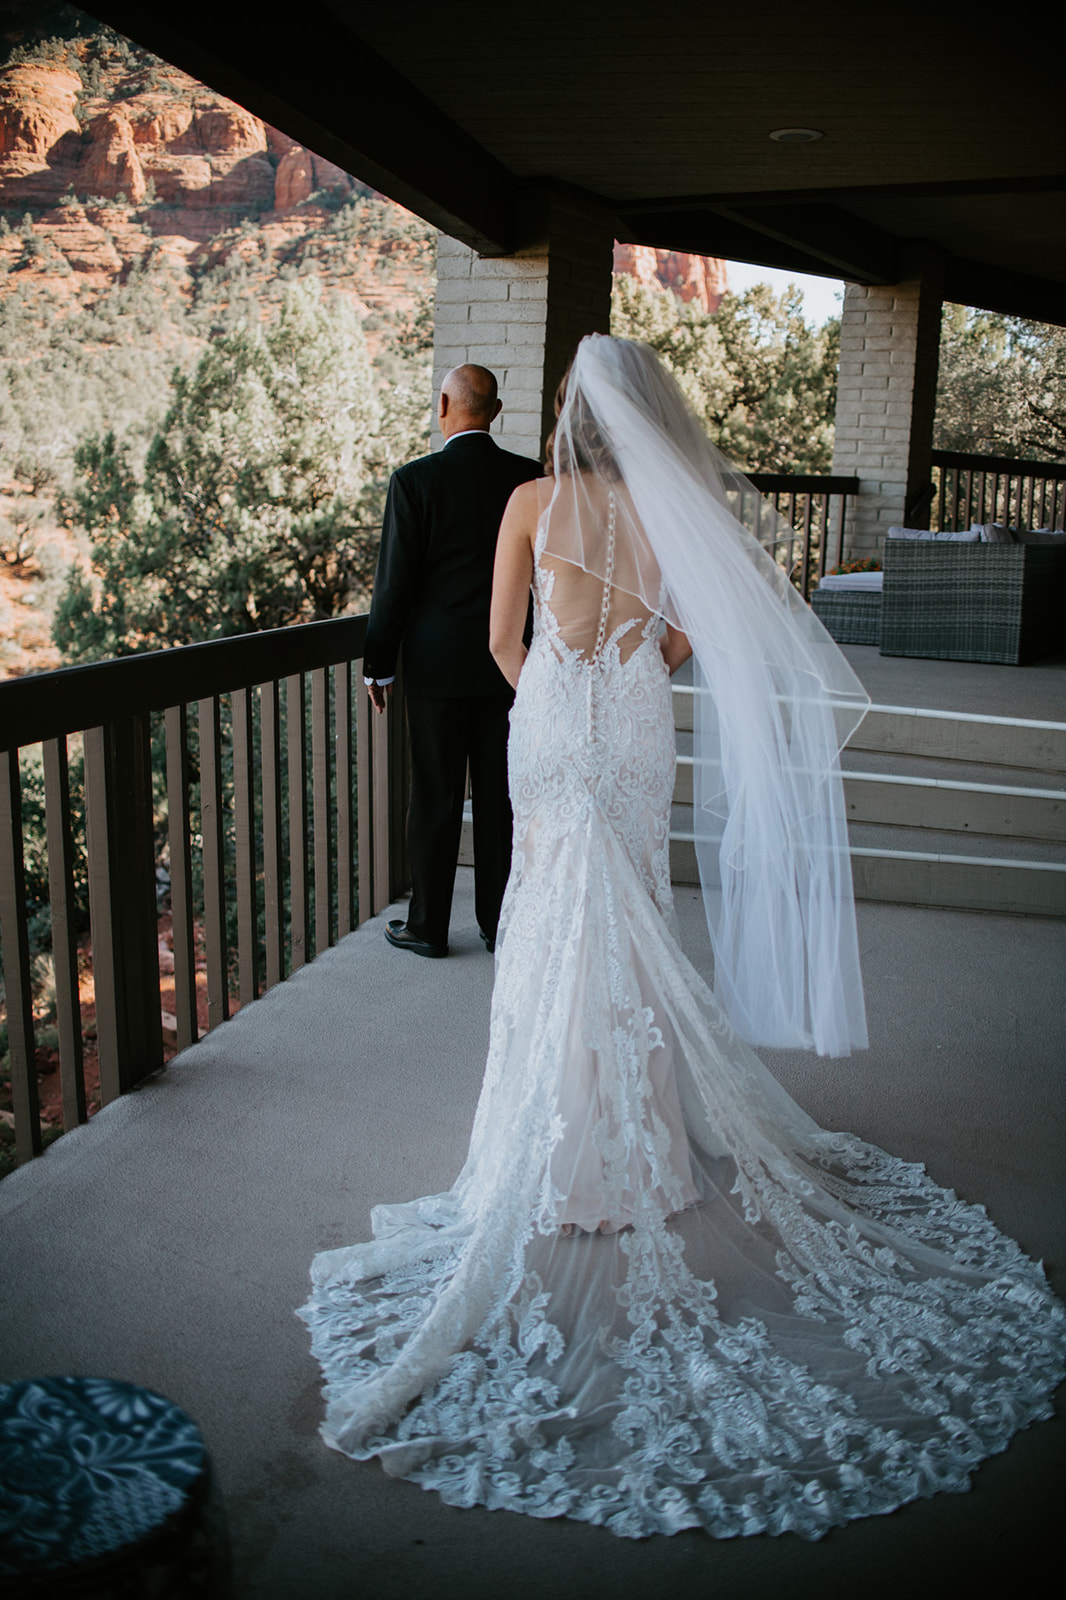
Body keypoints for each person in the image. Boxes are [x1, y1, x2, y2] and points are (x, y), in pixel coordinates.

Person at [301, 337, 1064, 1539]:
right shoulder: (671, 507)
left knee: (553, 918)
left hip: (553, 721)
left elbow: (503, 642)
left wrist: (560, 684)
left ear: (565, 418)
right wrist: (633, 667)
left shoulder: (527, 500)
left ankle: (549, 1155)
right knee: (635, 912)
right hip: (634, 722)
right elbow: (697, 629)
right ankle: (644, 1144)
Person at [363, 364, 541, 957]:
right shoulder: (528, 479)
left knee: (436, 795)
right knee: (500, 799)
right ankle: (499, 924)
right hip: (510, 663)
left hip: (436, 667)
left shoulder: (415, 481)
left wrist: (378, 665)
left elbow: (394, 586)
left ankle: (427, 927)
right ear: (494, 412)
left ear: (444, 405)